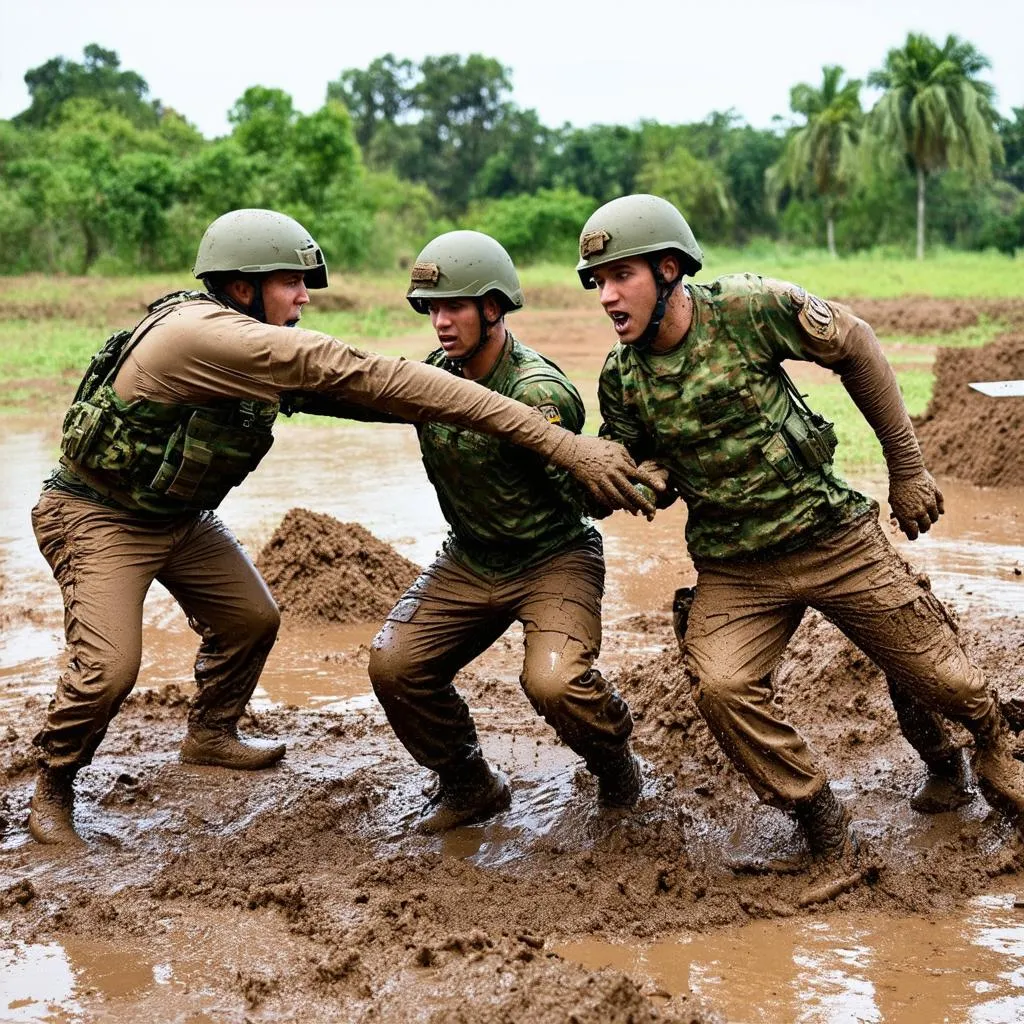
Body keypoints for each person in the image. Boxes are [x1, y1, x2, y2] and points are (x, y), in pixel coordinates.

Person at [28, 208, 660, 847]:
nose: (305, 296)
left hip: (179, 517)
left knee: (249, 620)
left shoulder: (531, 384)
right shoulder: (207, 337)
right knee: (108, 667)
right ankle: (52, 790)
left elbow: (368, 396)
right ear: (243, 286)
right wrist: (569, 447)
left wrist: (550, 442)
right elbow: (360, 373)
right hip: (99, 514)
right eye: (291, 282)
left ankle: (211, 733)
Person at [575, 192, 1024, 868]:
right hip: (736, 566)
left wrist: (908, 471)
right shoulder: (622, 377)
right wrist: (643, 479)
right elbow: (635, 464)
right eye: (598, 283)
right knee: (721, 687)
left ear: (670, 269)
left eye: (621, 276)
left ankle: (988, 745)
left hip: (831, 535)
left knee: (945, 681)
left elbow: (859, 345)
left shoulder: (749, 310)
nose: (607, 296)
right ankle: (821, 823)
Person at [367, 231, 641, 832]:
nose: (440, 321)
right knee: (394, 665)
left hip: (552, 556)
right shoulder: (436, 375)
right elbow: (367, 393)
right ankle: (469, 784)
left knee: (554, 682)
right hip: (469, 557)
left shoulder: (537, 392)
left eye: (454, 307)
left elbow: (582, 498)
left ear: (493, 308)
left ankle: (617, 766)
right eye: (432, 308)